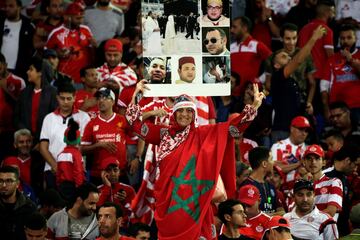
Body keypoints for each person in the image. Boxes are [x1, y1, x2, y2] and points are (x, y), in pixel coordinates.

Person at [125, 79, 265, 239]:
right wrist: (137, 94)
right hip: (167, 203)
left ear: (194, 114)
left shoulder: (203, 134)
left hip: (193, 205)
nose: (184, 114)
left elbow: (232, 130)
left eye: (189, 111)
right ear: (174, 113)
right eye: (180, 110)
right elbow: (134, 125)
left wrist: (253, 107)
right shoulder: (163, 133)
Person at [270, 25, 326, 137]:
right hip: (283, 129)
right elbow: (299, 60)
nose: (288, 57)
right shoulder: (277, 76)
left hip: (294, 129)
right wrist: (313, 38)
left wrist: (306, 105)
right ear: (276, 65)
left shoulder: (290, 81)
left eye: (288, 56)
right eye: (283, 56)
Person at [39, 83, 90, 188]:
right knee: (54, 204)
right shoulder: (49, 118)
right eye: (62, 98)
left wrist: (68, 167)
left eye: (69, 98)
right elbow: (43, 148)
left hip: (76, 171)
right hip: (52, 170)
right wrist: (57, 167)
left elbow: (84, 146)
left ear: (74, 98)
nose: (65, 102)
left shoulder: (84, 117)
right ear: (57, 98)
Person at [81, 88, 130, 185]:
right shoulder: (91, 124)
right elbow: (81, 150)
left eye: (105, 97)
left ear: (113, 101)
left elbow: (138, 136)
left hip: (120, 174)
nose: (101, 101)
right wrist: (98, 145)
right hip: (98, 175)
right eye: (99, 98)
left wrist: (137, 157)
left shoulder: (122, 120)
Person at [264, 23, 316, 114]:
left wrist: (309, 102)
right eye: (288, 38)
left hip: (301, 100)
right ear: (281, 38)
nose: (291, 42)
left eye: (294, 38)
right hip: (281, 102)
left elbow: (312, 83)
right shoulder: (273, 57)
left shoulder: (306, 55)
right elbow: (268, 84)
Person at [46, 1, 97, 85]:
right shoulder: (56, 33)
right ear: (67, 17)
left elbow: (92, 52)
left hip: (84, 81)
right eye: (77, 18)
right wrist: (57, 53)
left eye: (82, 18)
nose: (80, 21)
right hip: (65, 80)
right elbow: (45, 54)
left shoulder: (86, 30)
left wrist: (95, 46)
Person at [321, 24, 360, 122]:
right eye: (342, 38)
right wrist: (326, 109)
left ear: (356, 39)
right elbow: (324, 86)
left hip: (358, 107)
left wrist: (350, 60)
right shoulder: (332, 59)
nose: (346, 41)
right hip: (337, 109)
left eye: (349, 38)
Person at [15, 56, 58, 143]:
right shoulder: (24, 93)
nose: (27, 72)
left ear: (40, 73)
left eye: (31, 69)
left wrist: (43, 140)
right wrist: (25, 133)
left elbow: (56, 119)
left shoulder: (53, 93)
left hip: (46, 141)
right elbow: (16, 116)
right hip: (26, 141)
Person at [230, 16, 271, 96]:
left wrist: (261, 79)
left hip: (249, 95)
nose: (231, 30)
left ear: (245, 28)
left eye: (235, 27)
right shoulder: (230, 47)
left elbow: (273, 60)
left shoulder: (256, 45)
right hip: (232, 95)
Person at [270, 116, 310, 196]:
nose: (304, 133)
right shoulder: (278, 146)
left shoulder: (309, 150)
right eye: (301, 129)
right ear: (292, 129)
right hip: (279, 193)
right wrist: (298, 164)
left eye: (306, 131)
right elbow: (273, 168)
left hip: (301, 194)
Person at [326, 144, 360, 236]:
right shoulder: (323, 177)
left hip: (342, 231)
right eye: (355, 164)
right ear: (348, 160)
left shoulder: (345, 178)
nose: (356, 168)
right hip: (326, 232)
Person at [240, 147, 284, 215]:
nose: (273, 163)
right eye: (271, 159)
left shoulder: (271, 186)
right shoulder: (247, 186)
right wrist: (274, 216)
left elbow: (281, 210)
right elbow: (250, 214)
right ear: (264, 164)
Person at [303, 144, 343, 218]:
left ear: (324, 162)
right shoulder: (301, 185)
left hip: (326, 228)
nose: (313, 162)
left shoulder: (334, 182)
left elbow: (330, 212)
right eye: (309, 158)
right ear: (304, 162)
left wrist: (305, 219)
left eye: (317, 158)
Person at [0, 53, 26, 160]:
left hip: (11, 131)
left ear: (5, 65)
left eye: (0, 67)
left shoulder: (18, 81)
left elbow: (22, 105)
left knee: (9, 161)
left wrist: (4, 86)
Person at [97, 157, 136, 227]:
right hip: (103, 227)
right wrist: (107, 187)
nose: (113, 173)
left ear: (119, 172)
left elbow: (133, 212)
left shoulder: (129, 189)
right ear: (102, 173)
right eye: (108, 170)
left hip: (123, 227)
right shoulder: (97, 190)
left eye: (115, 170)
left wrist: (124, 201)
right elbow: (97, 210)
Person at [0, 0, 35, 79]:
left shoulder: (28, 25)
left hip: (19, 70)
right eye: (6, 6)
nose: (7, 9)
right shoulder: (1, 22)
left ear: (19, 8)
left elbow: (32, 47)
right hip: (1, 68)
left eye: (11, 6)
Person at [0, 166, 37, 239]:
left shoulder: (29, 207)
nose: (4, 185)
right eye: (0, 181)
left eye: (9, 181)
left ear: (17, 184)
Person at [56, 119, 86, 202]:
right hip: (74, 186)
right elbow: (78, 171)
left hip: (62, 187)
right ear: (78, 139)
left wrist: (58, 185)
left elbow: (58, 173)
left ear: (65, 139)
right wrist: (80, 187)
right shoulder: (76, 154)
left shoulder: (60, 154)